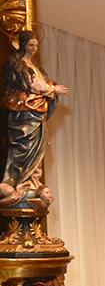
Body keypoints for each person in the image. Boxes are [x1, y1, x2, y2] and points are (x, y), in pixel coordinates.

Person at [1, 30, 68, 200]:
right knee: (22, 147)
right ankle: (12, 181)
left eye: (36, 45)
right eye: (31, 45)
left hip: (37, 114)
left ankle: (31, 182)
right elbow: (31, 85)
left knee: (37, 149)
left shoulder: (36, 67)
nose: (34, 48)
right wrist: (53, 89)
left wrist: (51, 86)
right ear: (23, 45)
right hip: (23, 113)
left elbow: (43, 83)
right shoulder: (18, 64)